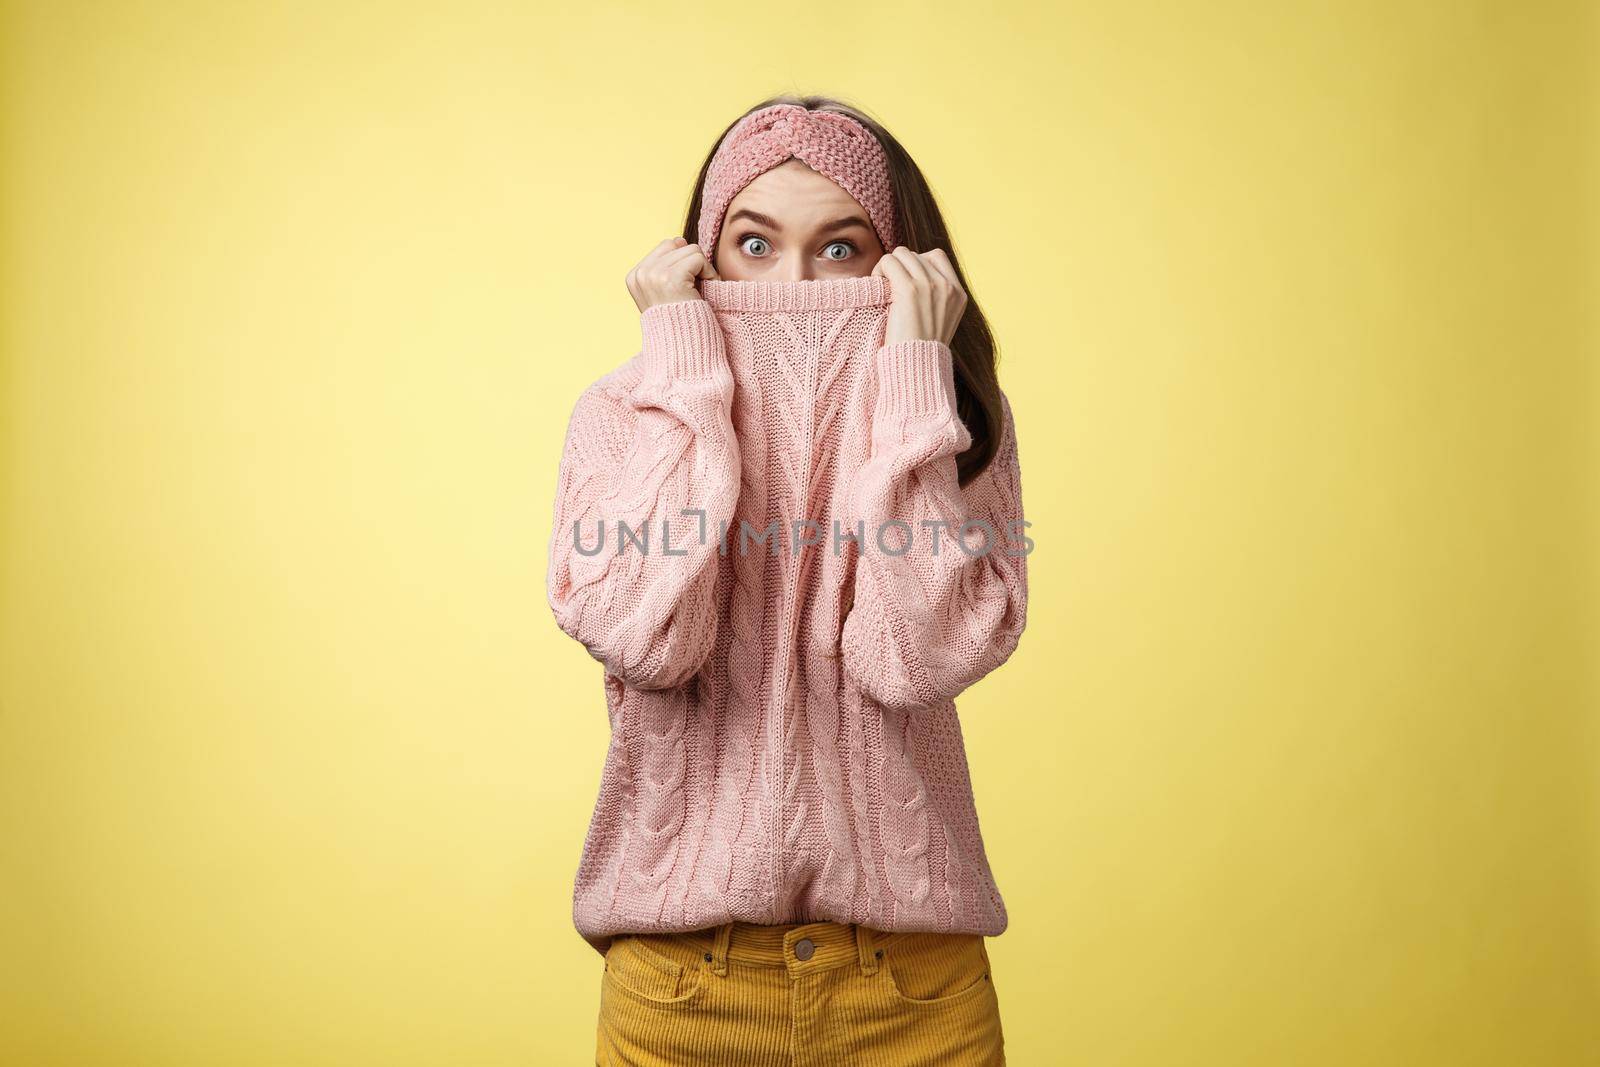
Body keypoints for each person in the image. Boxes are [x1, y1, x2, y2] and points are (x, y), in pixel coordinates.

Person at [546, 94, 1029, 1066]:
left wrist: (914, 375)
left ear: (901, 265)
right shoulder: (620, 411)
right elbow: (650, 639)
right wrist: (683, 376)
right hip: (684, 989)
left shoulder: (951, 413)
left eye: (841, 249)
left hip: (914, 990)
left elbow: (916, 657)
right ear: (701, 257)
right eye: (754, 246)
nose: (796, 281)